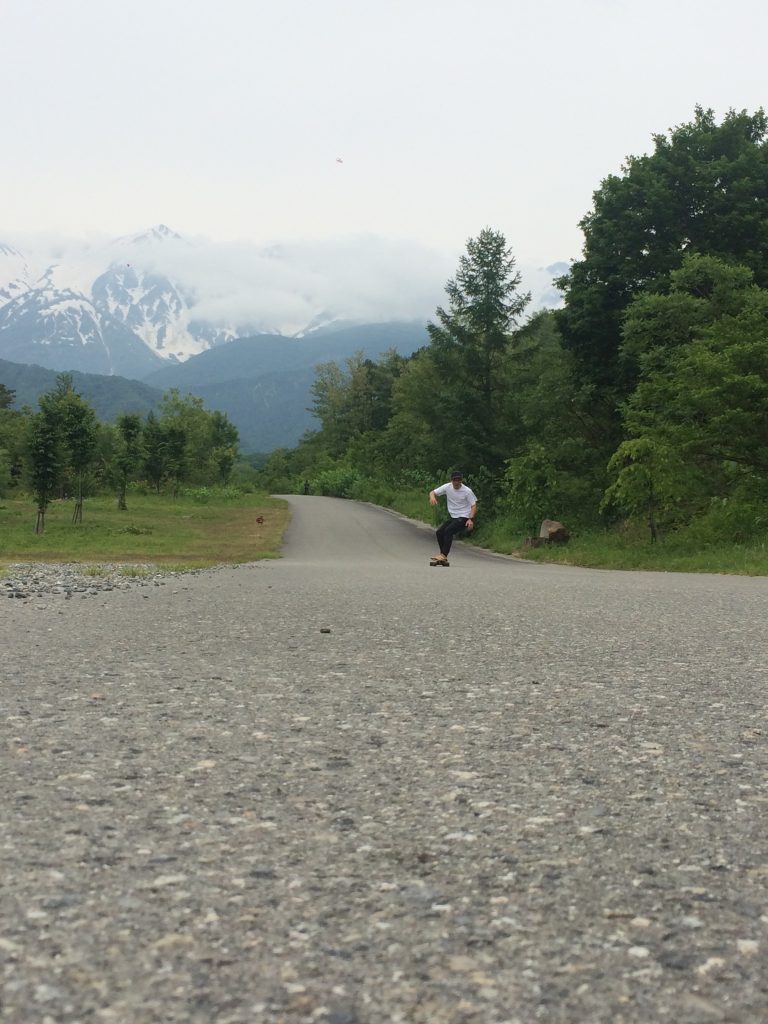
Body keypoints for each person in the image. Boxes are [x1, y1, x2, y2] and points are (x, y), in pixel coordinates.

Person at [428, 470, 477, 564]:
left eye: (458, 480)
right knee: (439, 532)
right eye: (454, 480)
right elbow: (432, 492)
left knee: (448, 531)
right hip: (454, 517)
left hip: (464, 517)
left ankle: (443, 555)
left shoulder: (467, 491)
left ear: (461, 481)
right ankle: (442, 555)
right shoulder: (447, 487)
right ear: (451, 480)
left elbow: (473, 506)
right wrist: (432, 497)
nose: (456, 482)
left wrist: (471, 519)